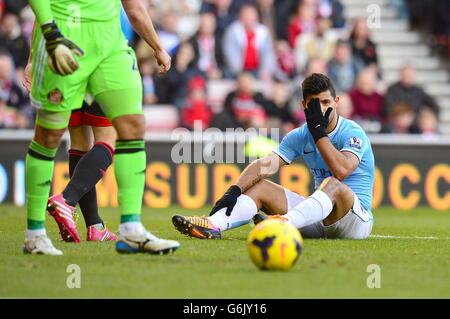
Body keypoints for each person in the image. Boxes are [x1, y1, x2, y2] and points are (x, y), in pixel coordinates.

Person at [23, 0, 180, 255]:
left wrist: (158, 47)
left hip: (110, 43)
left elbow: (134, 6)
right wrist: (49, 37)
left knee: (132, 125)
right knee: (49, 134)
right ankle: (35, 234)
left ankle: (131, 229)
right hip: (64, 38)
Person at [173, 73, 374, 240]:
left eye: (326, 102)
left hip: (356, 220)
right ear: (304, 105)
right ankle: (212, 225)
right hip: (320, 218)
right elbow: (265, 165)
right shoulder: (300, 135)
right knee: (260, 186)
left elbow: (342, 171)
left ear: (336, 102)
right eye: (314, 104)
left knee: (333, 184)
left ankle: (283, 224)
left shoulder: (352, 132)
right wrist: (234, 190)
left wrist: (318, 132)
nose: (321, 109)